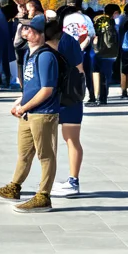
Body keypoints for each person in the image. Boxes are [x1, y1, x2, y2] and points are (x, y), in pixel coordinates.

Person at [0, 13, 59, 214]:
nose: (24, 31)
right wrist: (20, 101)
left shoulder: (46, 56)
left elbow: (47, 89)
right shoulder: (30, 54)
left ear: (38, 34)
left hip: (43, 113)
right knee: (24, 153)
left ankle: (43, 196)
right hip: (29, 112)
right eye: (24, 28)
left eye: (28, 29)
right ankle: (15, 187)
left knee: (45, 155)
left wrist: (24, 107)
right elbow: (32, 84)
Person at [45, 15, 84, 199]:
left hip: (62, 96)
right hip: (72, 96)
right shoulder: (70, 40)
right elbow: (80, 69)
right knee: (71, 139)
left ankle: (68, 181)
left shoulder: (57, 45)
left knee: (65, 139)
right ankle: (72, 180)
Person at [91, 5, 120, 105]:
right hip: (109, 52)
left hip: (96, 50)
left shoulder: (96, 19)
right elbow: (112, 38)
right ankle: (103, 97)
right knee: (106, 75)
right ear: (114, 12)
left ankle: (95, 95)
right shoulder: (110, 22)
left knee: (96, 72)